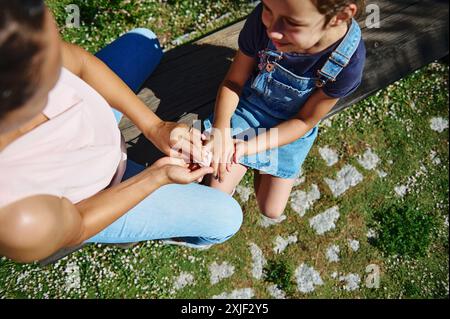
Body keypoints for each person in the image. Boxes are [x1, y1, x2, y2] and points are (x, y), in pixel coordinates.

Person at [0, 0, 242, 264]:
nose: (60, 49)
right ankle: (149, 231)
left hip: (96, 133)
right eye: (51, 58)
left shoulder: (19, 38)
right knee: (226, 219)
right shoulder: (16, 220)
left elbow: (80, 63)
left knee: (144, 40)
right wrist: (156, 176)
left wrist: (155, 126)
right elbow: (79, 225)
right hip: (97, 195)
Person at [204, 0, 366, 219]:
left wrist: (247, 148)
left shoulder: (348, 63)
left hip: (291, 126)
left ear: (340, 16)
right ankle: (244, 167)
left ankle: (253, 162)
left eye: (291, 22)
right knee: (214, 194)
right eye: (268, 10)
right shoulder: (267, 19)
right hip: (250, 107)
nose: (273, 31)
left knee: (271, 210)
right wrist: (221, 129)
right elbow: (234, 82)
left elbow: (305, 120)